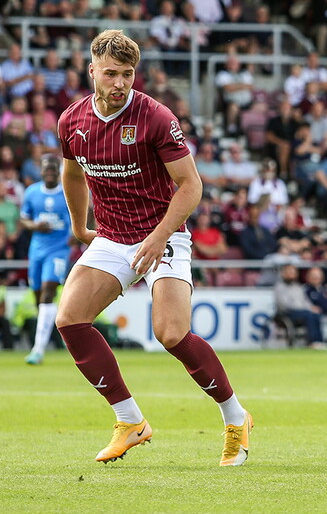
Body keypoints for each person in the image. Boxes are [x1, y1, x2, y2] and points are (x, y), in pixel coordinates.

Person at [55, 30, 252, 466]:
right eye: (111, 73)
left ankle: (236, 418)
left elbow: (191, 186)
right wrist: (78, 224)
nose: (120, 83)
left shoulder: (156, 117)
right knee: (69, 319)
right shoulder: (72, 120)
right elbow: (71, 173)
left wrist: (160, 236)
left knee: (171, 334)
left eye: (127, 74)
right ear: (92, 71)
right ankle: (130, 421)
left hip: (164, 234)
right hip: (112, 236)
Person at [21, 156, 71, 365]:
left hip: (58, 250)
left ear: (58, 170)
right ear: (40, 171)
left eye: (53, 169)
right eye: (46, 169)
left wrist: (77, 235)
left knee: (48, 291)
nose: (50, 172)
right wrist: (34, 226)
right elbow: (24, 218)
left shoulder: (67, 192)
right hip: (36, 251)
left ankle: (38, 349)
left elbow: (85, 213)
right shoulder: (32, 192)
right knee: (38, 296)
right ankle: (50, 333)